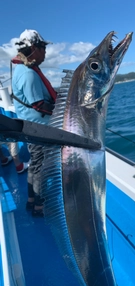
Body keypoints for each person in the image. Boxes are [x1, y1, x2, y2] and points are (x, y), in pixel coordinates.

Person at [11, 29, 57, 216]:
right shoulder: (28, 74)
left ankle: (31, 201)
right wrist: (65, 108)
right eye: (42, 47)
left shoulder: (22, 69)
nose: (45, 52)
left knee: (35, 164)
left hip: (31, 127)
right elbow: (39, 104)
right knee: (39, 167)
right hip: (38, 129)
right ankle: (40, 207)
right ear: (33, 48)